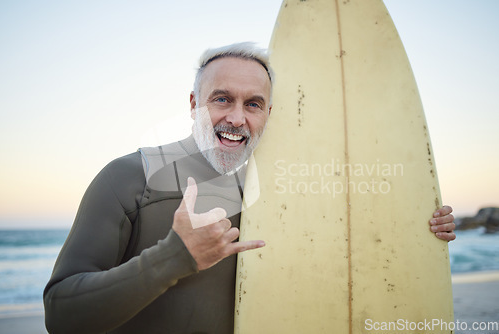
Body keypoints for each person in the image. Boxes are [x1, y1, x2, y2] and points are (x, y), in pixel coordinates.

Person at [44, 42, 456, 334]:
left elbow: (343, 253)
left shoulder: (284, 191)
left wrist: (419, 232)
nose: (237, 118)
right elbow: (61, 315)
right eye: (221, 99)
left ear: (268, 113)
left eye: (253, 104)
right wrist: (172, 258)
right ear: (193, 103)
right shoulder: (130, 177)